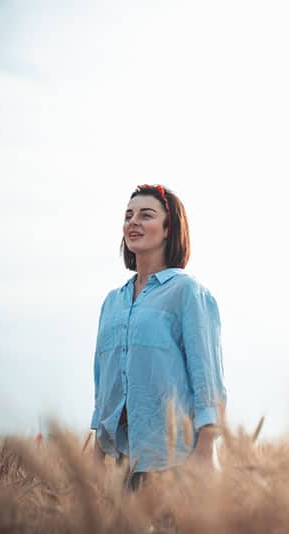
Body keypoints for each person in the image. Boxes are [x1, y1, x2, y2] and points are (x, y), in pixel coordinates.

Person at [90, 184, 227, 491]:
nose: (133, 222)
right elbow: (105, 387)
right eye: (128, 215)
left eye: (145, 215)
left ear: (168, 229)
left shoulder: (186, 292)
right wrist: (97, 454)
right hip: (123, 462)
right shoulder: (112, 302)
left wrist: (205, 452)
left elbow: (208, 380)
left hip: (176, 462)